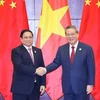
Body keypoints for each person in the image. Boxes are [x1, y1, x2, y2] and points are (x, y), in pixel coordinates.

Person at [36, 25, 95, 100]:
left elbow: (91, 67)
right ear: (66, 36)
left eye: (72, 34)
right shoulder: (62, 49)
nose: (70, 36)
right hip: (67, 87)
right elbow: (56, 63)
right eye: (68, 34)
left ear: (77, 34)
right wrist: (45, 69)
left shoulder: (87, 48)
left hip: (82, 86)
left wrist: (90, 84)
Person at [11, 29, 46, 100]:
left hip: (35, 88)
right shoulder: (16, 51)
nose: (28, 39)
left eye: (30, 37)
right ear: (21, 39)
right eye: (26, 37)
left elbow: (42, 67)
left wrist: (43, 84)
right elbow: (19, 66)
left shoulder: (38, 51)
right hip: (21, 89)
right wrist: (35, 71)